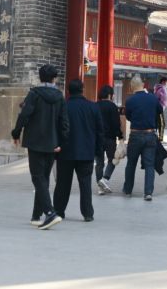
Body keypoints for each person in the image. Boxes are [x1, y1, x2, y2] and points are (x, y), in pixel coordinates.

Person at [11, 63, 69, 230]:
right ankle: (36, 216)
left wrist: (16, 133)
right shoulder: (59, 97)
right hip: (52, 143)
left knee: (38, 178)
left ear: (40, 77)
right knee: (43, 178)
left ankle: (50, 213)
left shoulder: (34, 94)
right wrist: (61, 143)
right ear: (54, 79)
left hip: (36, 142)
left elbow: (24, 115)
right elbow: (64, 122)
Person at [52, 78, 102, 222]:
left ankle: (59, 211)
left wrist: (55, 148)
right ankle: (88, 213)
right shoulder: (93, 107)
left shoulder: (63, 106)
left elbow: (56, 129)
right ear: (82, 90)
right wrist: (98, 152)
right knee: (85, 184)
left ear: (68, 91)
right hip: (86, 152)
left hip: (65, 151)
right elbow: (100, 132)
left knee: (62, 183)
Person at [121, 74, 161, 200]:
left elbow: (128, 116)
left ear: (132, 87)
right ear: (143, 85)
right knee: (149, 165)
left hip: (135, 134)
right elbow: (160, 110)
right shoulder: (152, 98)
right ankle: (148, 192)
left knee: (131, 163)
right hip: (150, 134)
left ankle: (128, 190)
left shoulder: (130, 100)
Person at [94, 85, 123, 195]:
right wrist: (120, 136)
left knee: (99, 163)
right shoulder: (112, 106)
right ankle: (105, 179)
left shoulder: (95, 106)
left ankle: (100, 187)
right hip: (110, 138)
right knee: (112, 160)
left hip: (97, 138)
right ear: (109, 95)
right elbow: (116, 124)